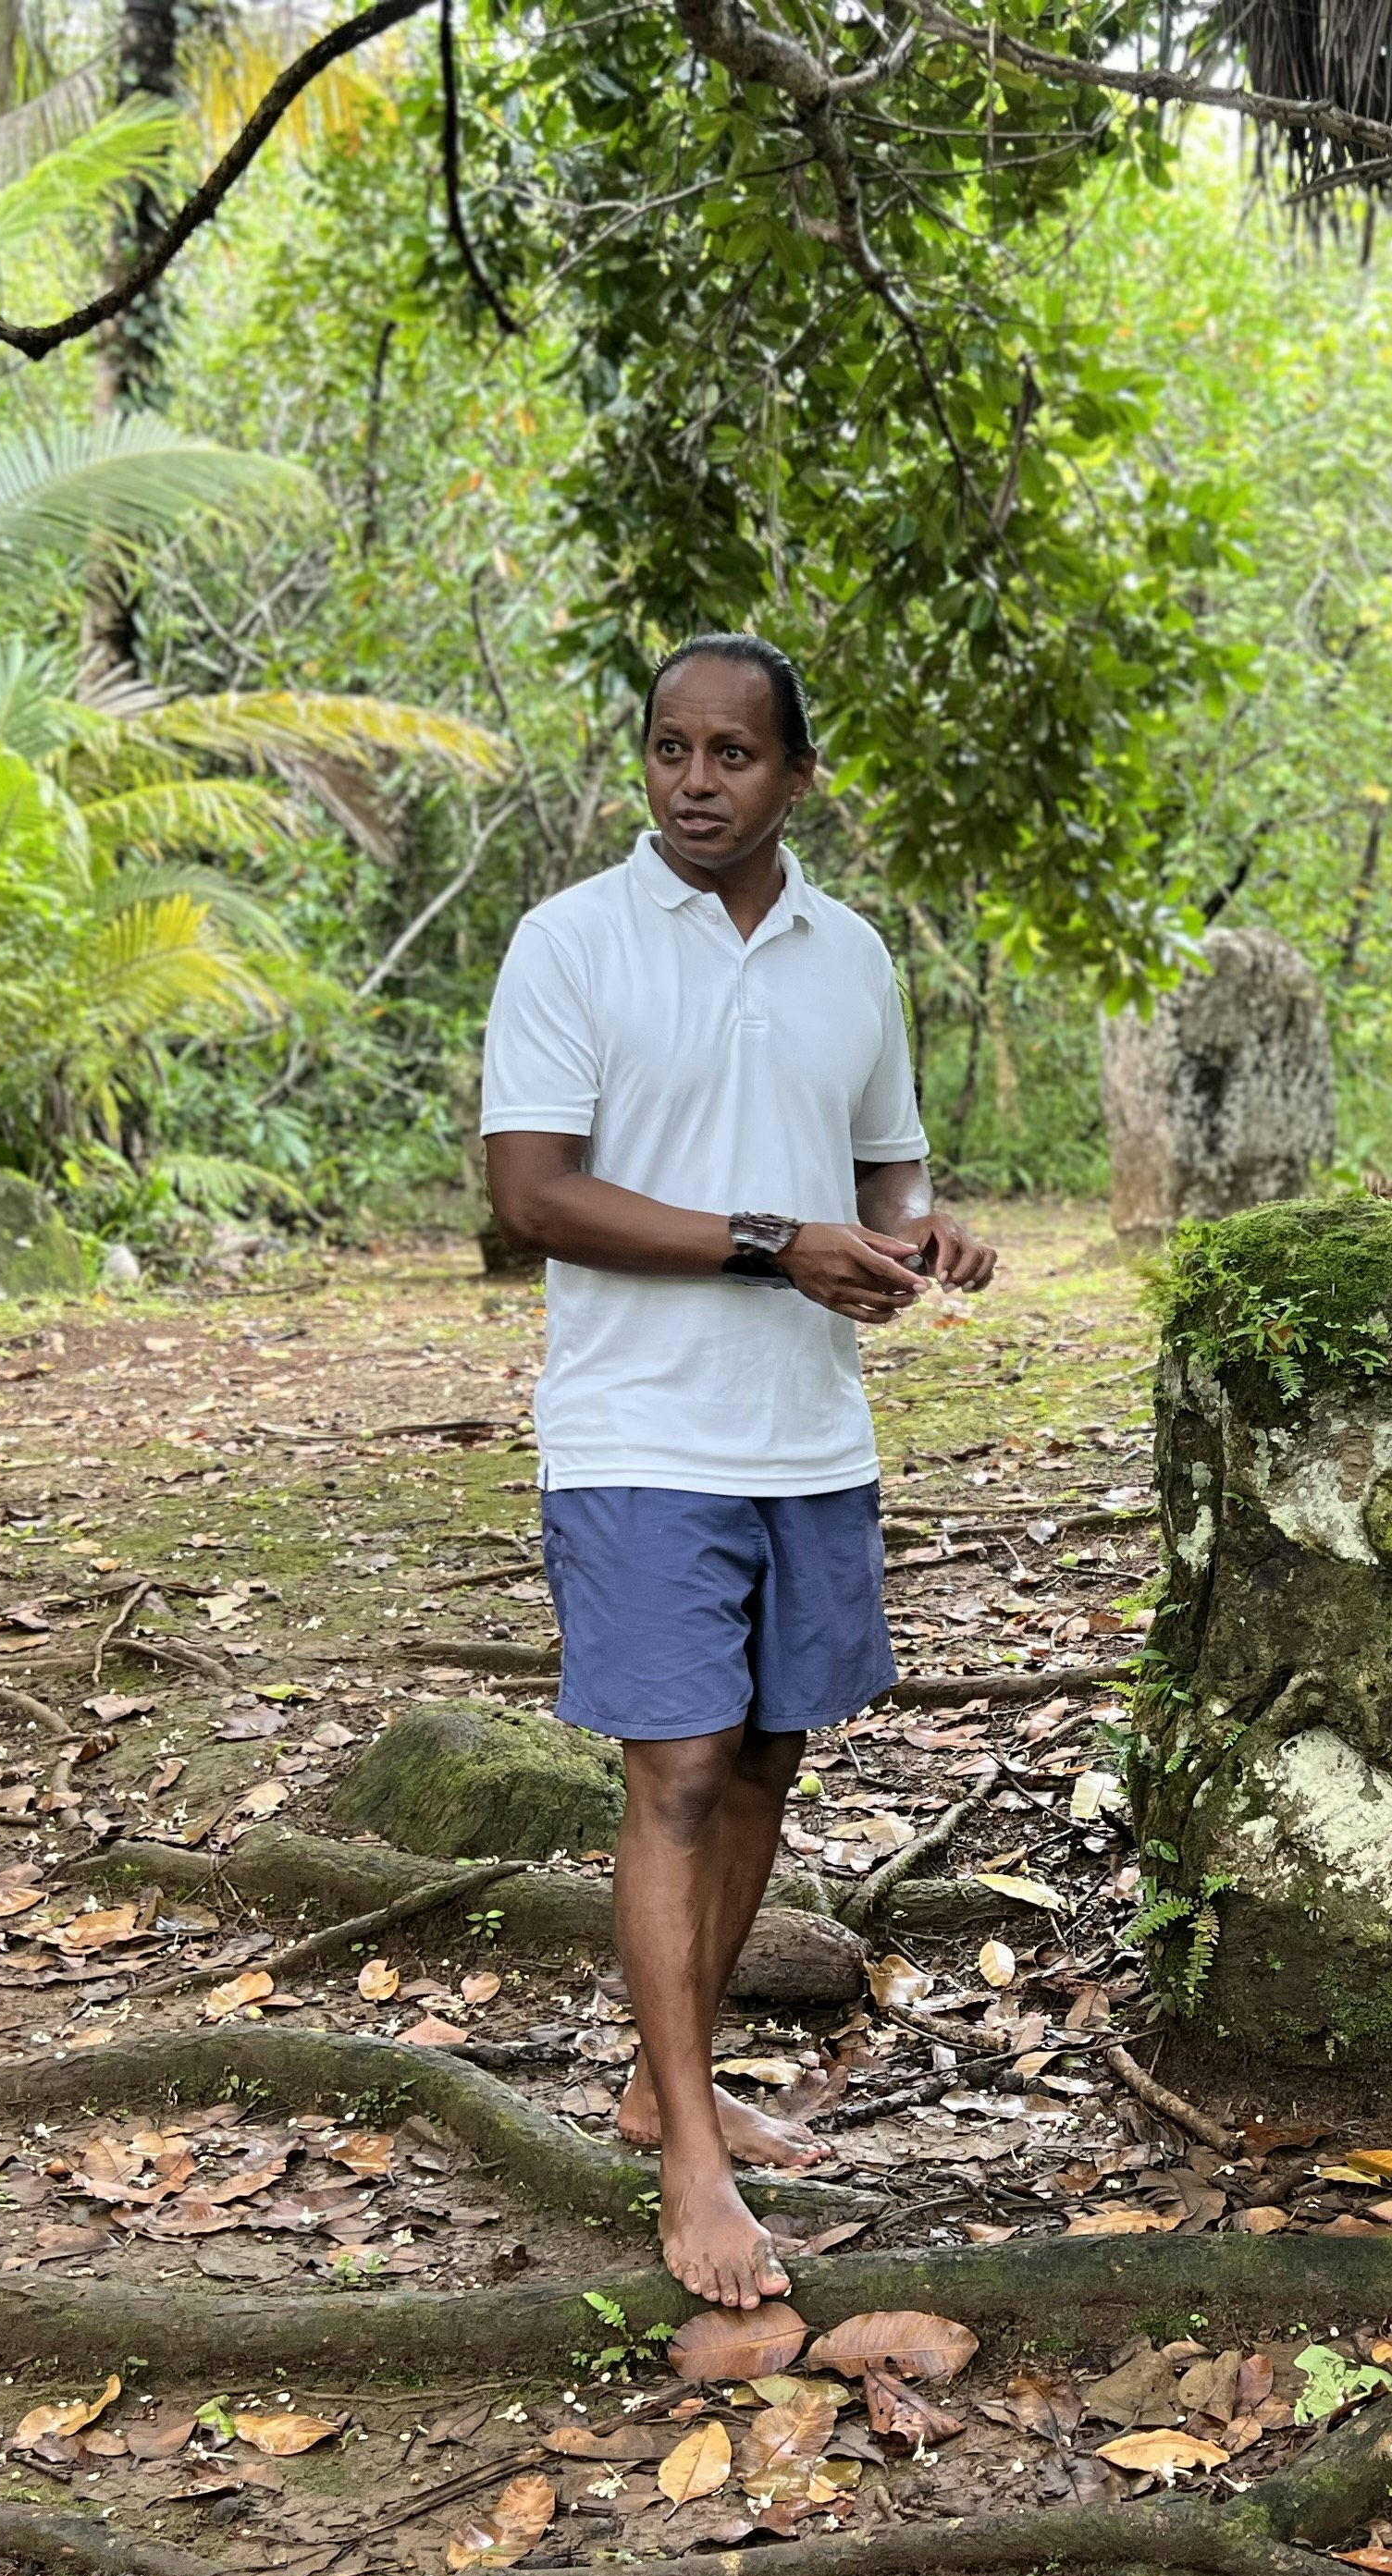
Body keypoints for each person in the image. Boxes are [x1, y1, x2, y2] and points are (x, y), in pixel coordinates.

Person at [479, 632, 996, 2309]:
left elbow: (887, 1182)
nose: (695, 782)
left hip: (807, 1432)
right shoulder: (571, 943)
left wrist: (928, 1248)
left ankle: (662, 2083)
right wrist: (776, 1242)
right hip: (638, 1433)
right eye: (668, 750)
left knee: (768, 1758)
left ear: (797, 776)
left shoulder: (856, 958)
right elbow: (533, 1199)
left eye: (733, 756)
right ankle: (691, 2164)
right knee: (678, 1774)